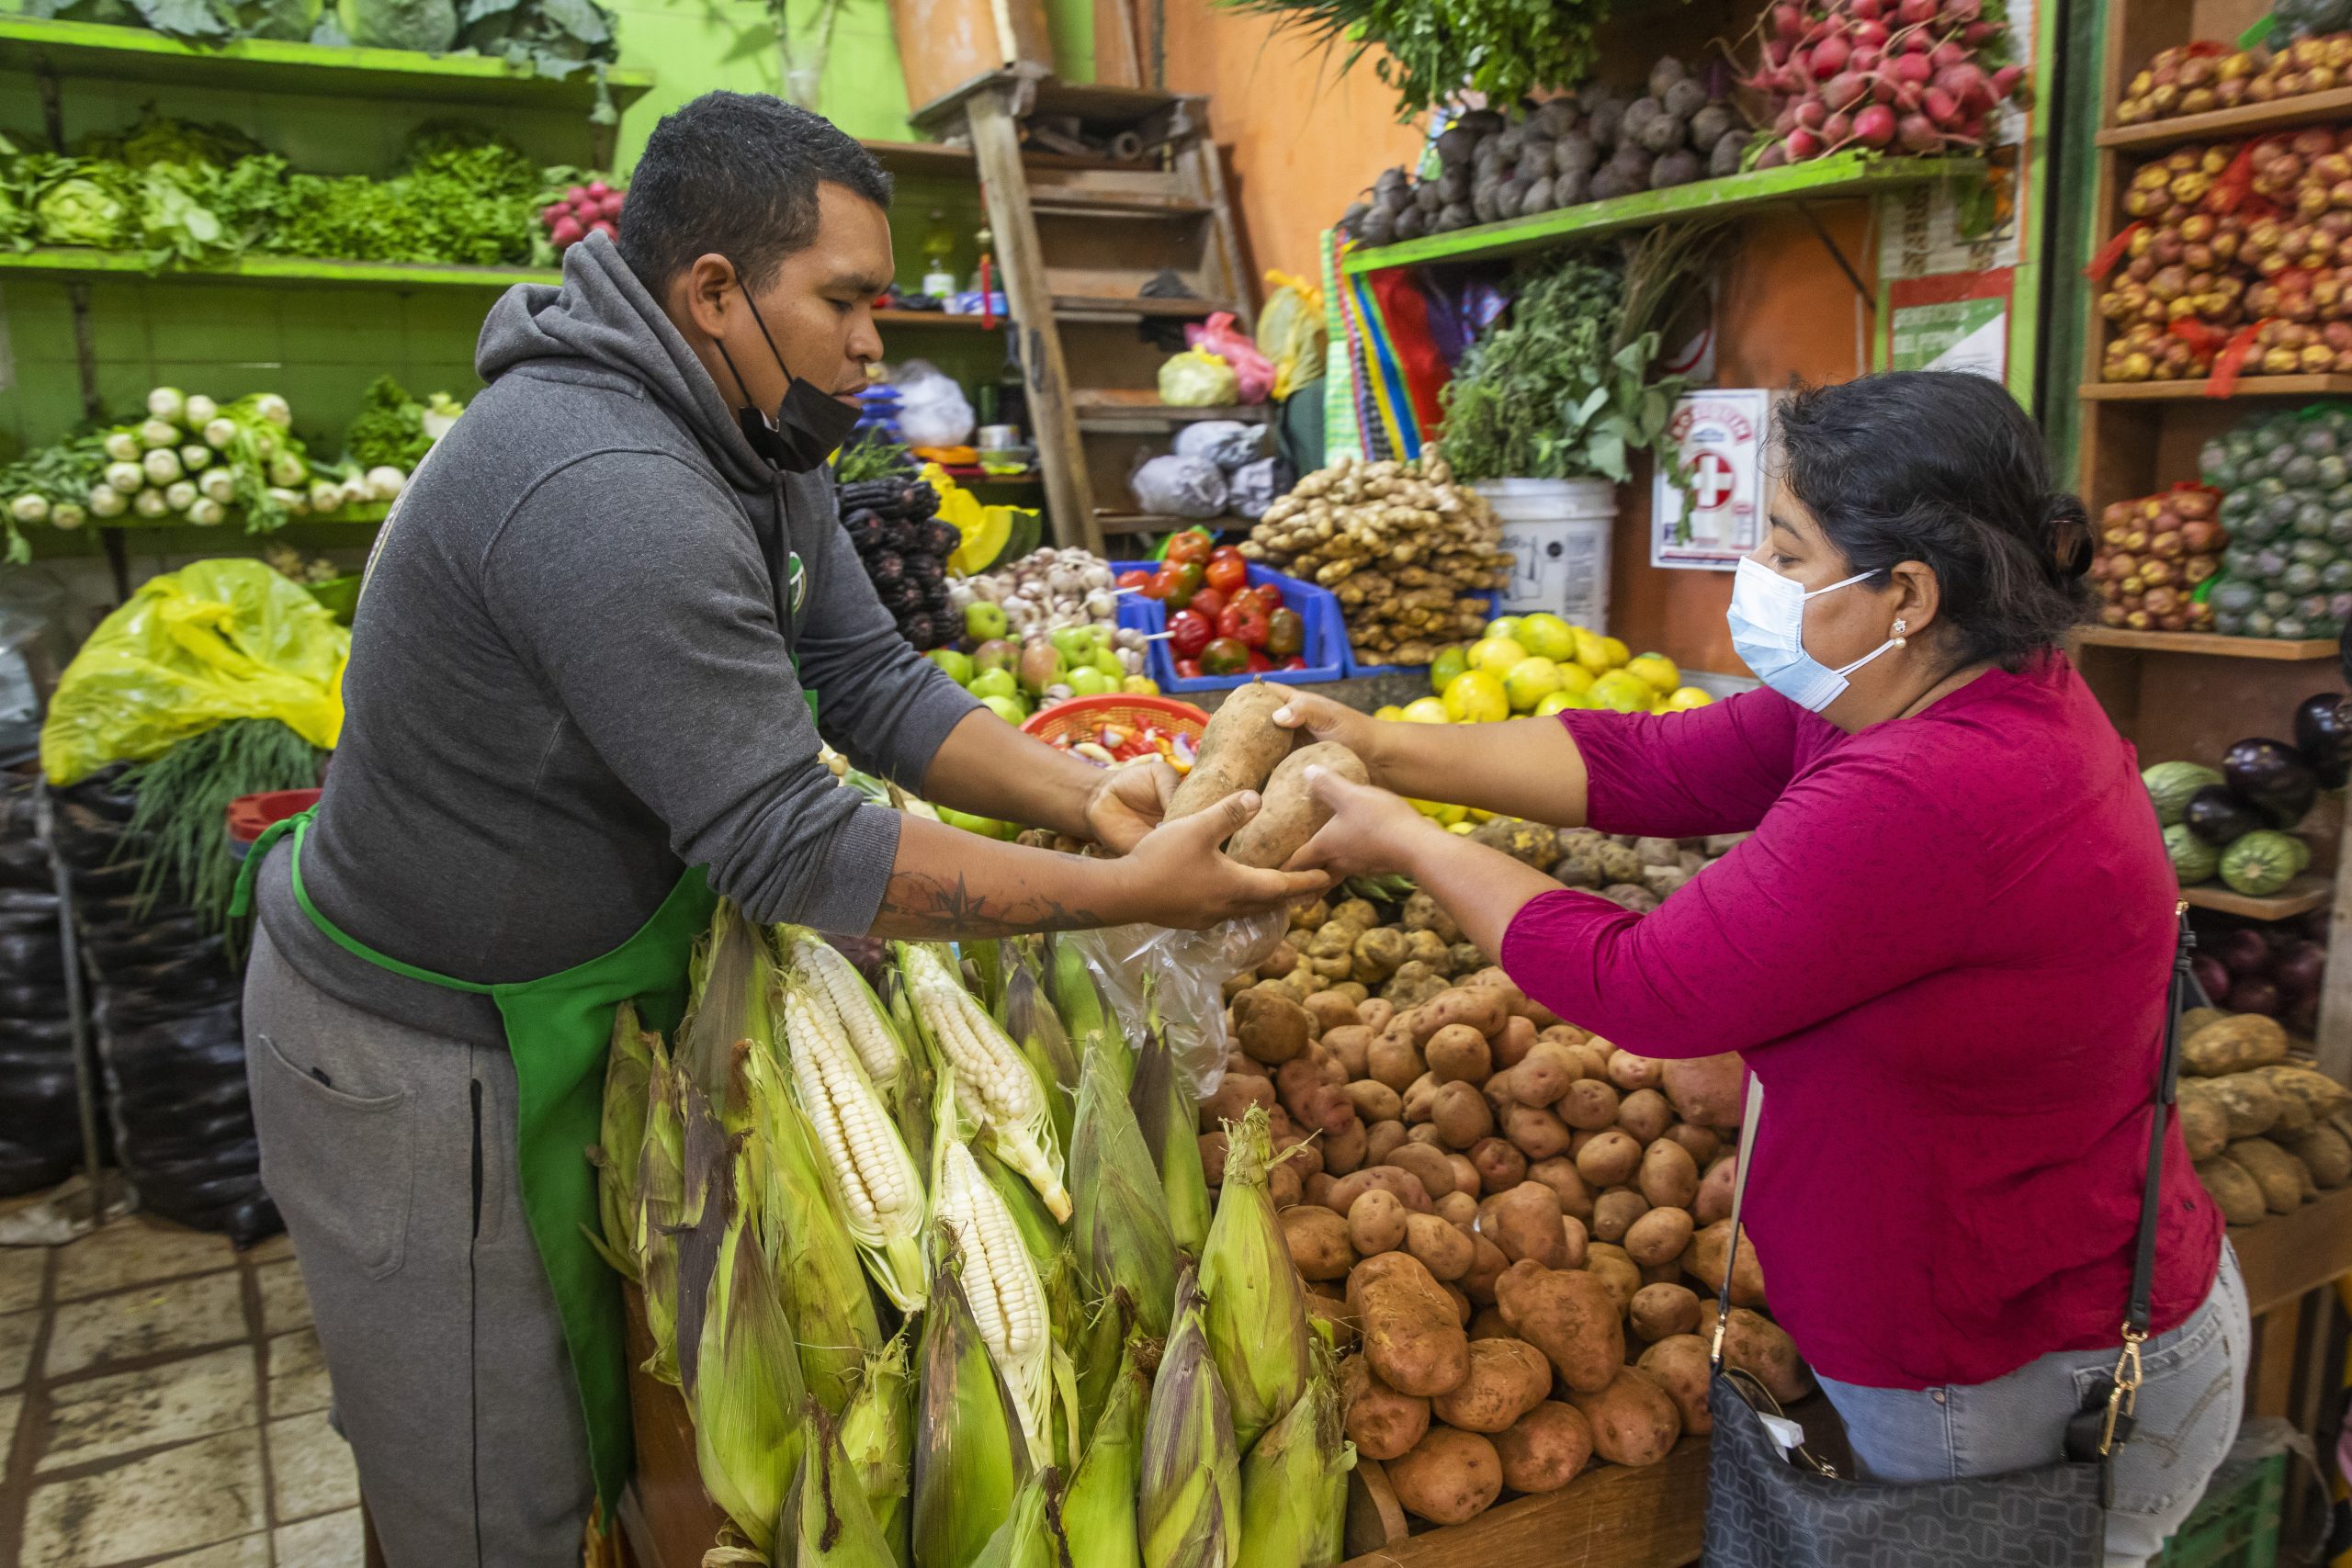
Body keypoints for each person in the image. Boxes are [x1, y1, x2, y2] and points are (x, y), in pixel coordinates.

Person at [235, 91, 1322, 1568]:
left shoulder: (752, 431)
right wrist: (1132, 890)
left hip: (570, 982)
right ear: (713, 291)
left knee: (604, 1430)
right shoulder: (605, 485)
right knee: (493, 1491)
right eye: (848, 300)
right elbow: (795, 846)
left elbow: (865, 676)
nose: (877, 341)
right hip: (428, 1039)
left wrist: (1086, 797)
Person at [1277, 371, 2247, 1566]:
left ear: (1905, 591)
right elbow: (1652, 765)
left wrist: (1406, 841)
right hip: (2012, 1316)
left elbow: (1643, 984)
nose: (1761, 584)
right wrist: (1381, 746)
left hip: (2010, 1374)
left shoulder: (1935, 786)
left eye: (1787, 553)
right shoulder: (1915, 687)